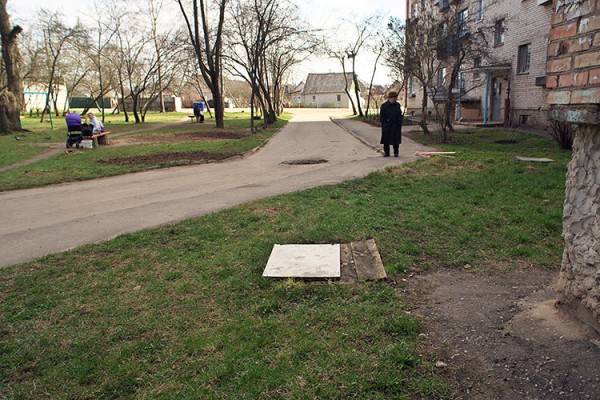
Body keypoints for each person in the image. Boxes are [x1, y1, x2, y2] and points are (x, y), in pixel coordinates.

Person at [379, 91, 403, 157]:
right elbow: (382, 116)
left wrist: (399, 122)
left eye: (395, 98)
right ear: (390, 98)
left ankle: (396, 152)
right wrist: (384, 124)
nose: (394, 99)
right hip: (387, 125)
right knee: (386, 140)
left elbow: (399, 114)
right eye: (393, 98)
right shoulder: (384, 106)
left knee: (396, 140)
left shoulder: (397, 105)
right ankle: (387, 153)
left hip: (395, 125)